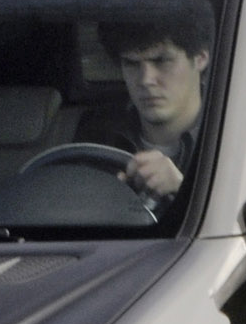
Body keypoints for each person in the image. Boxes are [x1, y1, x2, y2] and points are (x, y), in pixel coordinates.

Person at [74, 15, 212, 200]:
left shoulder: (233, 137)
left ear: (200, 58)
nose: (146, 80)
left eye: (162, 61)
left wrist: (182, 189)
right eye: (131, 63)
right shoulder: (97, 134)